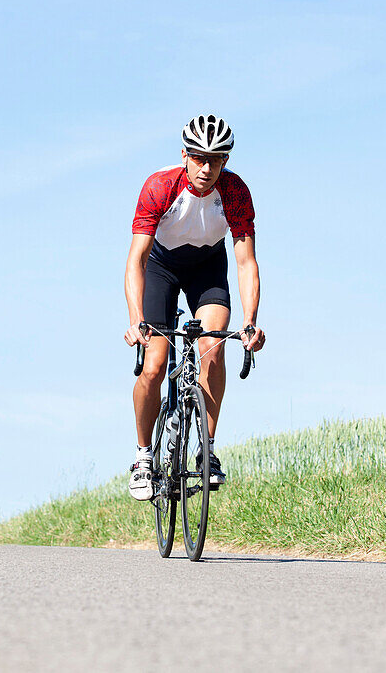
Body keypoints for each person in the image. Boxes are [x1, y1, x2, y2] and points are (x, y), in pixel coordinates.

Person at [123, 114, 266, 501]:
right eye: (200, 157)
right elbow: (136, 260)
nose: (207, 168)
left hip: (207, 268)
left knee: (214, 350)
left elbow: (245, 262)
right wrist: (136, 320)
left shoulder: (235, 193)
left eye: (216, 159)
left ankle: (207, 449)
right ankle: (142, 456)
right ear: (185, 155)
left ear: (225, 161)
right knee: (154, 364)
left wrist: (250, 322)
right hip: (162, 268)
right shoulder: (160, 186)